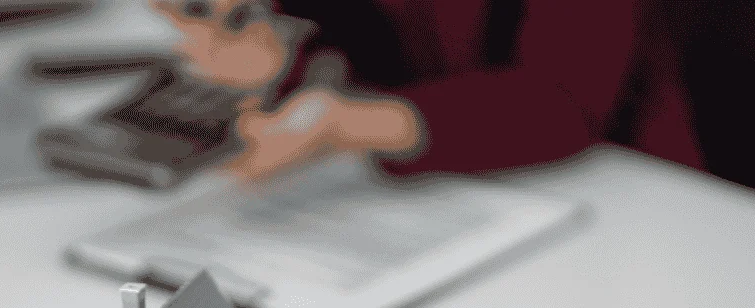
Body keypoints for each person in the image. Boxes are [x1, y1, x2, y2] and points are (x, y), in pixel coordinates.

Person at [153, 0, 704, 183]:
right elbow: (360, 35)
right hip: (446, 183)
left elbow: (561, 102)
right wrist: (273, 53)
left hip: (626, 182)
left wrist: (345, 124)